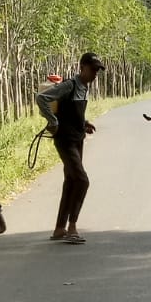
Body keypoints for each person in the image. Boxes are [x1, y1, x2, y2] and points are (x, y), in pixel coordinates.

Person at [36, 52, 105, 244]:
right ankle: (72, 227)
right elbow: (41, 98)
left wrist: (84, 123)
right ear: (82, 67)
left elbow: (73, 112)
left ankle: (59, 229)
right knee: (82, 181)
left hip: (77, 139)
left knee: (71, 181)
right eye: (93, 69)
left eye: (97, 71)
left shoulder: (84, 88)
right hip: (64, 140)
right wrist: (52, 121)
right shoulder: (69, 85)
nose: (95, 74)